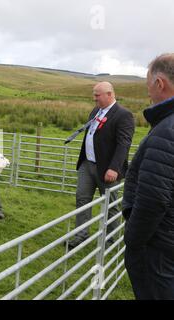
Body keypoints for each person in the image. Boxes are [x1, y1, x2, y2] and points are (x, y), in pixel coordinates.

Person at [123, 53, 174, 300]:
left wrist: (133, 240)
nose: (149, 95)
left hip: (159, 247)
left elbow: (154, 199)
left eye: (148, 87)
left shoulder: (167, 130)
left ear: (160, 83)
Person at [67, 82, 135, 250]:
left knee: (110, 205)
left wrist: (114, 168)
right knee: (82, 199)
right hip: (87, 164)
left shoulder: (123, 115)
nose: (94, 98)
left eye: (97, 95)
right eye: (94, 95)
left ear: (109, 94)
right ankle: (81, 236)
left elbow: (123, 144)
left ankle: (111, 240)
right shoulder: (95, 110)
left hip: (107, 169)